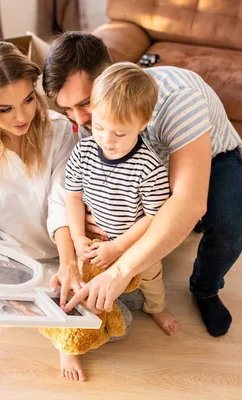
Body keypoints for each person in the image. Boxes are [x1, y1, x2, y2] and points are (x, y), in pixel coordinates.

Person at [0, 41, 132, 382]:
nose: (21, 117)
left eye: (29, 100)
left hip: (70, 249)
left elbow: (63, 200)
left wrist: (69, 262)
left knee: (116, 323)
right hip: (19, 270)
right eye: (5, 109)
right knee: (100, 322)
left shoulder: (58, 130)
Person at [45, 32, 242, 338]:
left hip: (210, 159)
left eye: (84, 104)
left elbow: (189, 202)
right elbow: (75, 187)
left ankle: (205, 288)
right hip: (145, 178)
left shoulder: (178, 99)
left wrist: (119, 270)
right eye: (68, 109)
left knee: (228, 222)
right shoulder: (92, 122)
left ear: (108, 77)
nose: (80, 120)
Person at [65, 62, 179, 336]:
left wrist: (119, 246)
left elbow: (153, 218)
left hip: (135, 244)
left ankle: (156, 308)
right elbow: (73, 196)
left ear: (143, 123)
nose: (107, 139)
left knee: (151, 277)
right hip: (95, 241)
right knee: (83, 282)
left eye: (119, 133)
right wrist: (78, 237)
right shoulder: (85, 150)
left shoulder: (149, 167)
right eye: (100, 126)